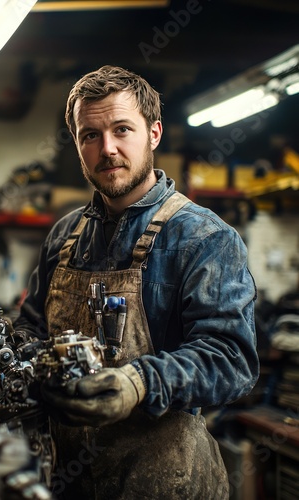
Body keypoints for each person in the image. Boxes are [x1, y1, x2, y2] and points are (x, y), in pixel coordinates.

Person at [13, 65, 259, 499]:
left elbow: (231, 359)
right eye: (90, 135)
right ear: (77, 144)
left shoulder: (205, 238)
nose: (107, 149)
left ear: (154, 133)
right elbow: (31, 328)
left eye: (122, 129)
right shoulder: (64, 237)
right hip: (67, 480)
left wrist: (138, 382)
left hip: (165, 484)